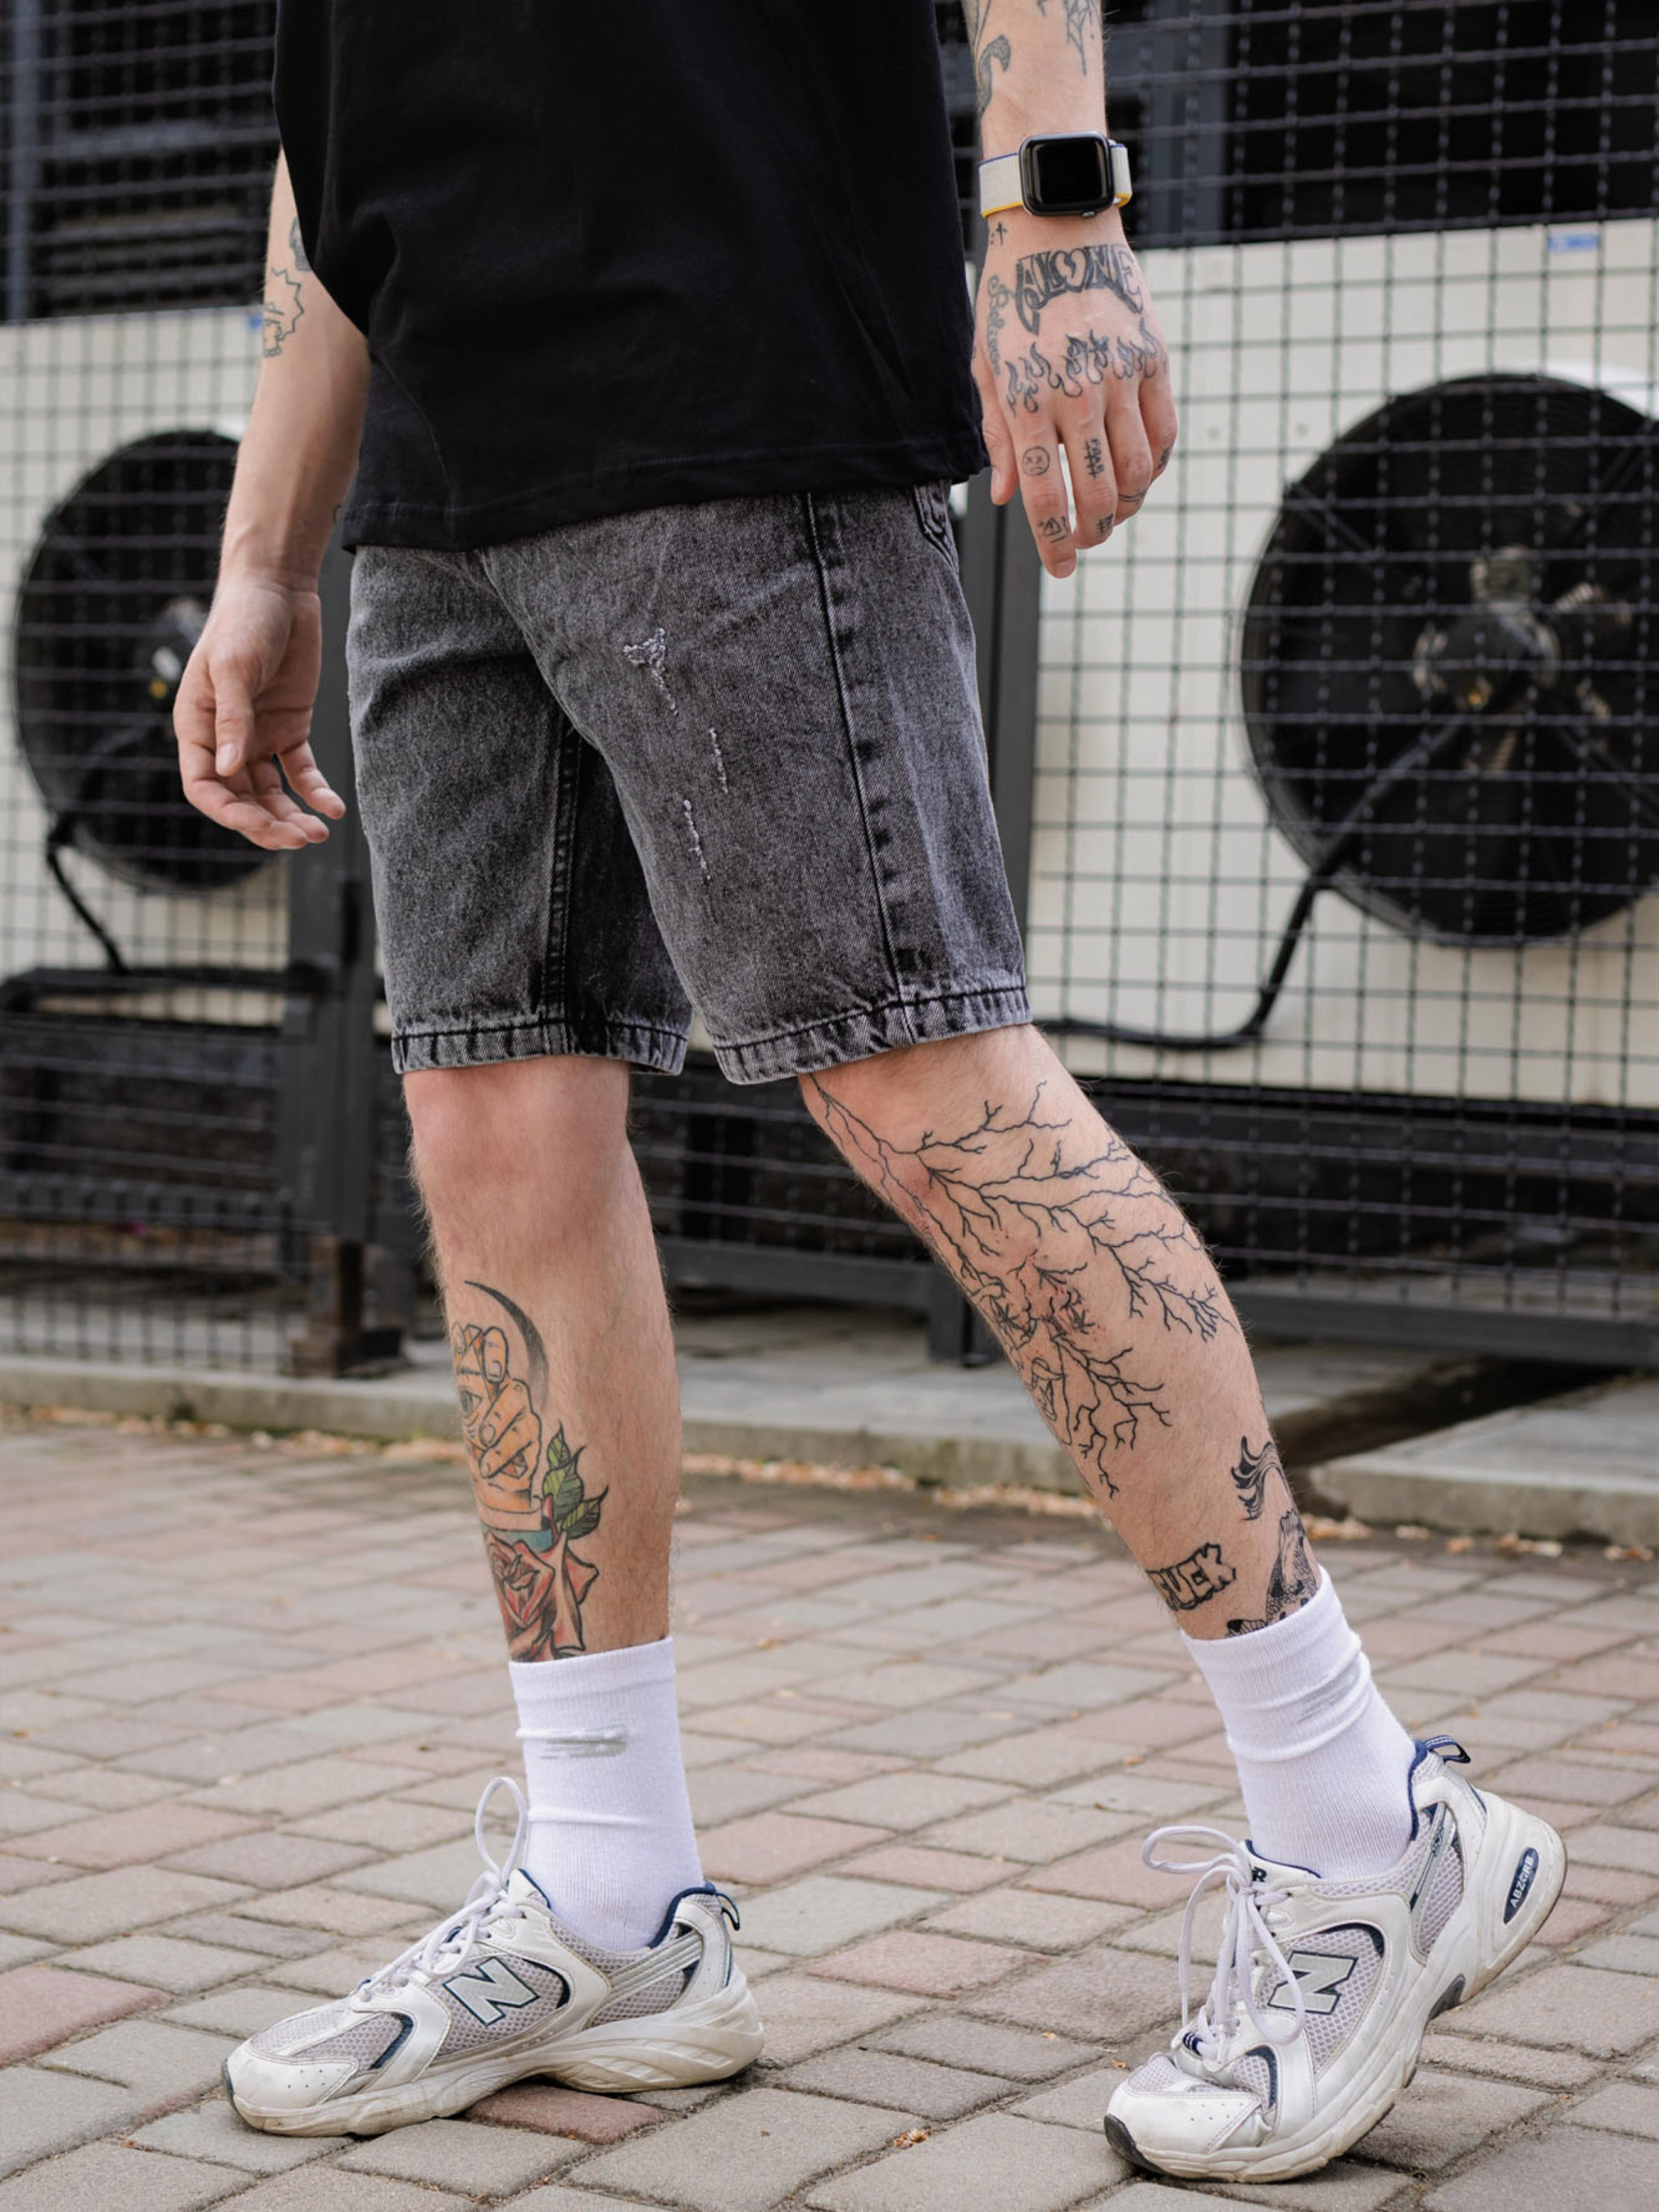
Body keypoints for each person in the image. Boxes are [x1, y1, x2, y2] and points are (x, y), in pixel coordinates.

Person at [174, 0, 1562, 2182]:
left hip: (733, 370)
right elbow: (326, 106)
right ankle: (612, 1898)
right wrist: (268, 545)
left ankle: (1367, 1815)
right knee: (492, 1125)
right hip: (437, 465)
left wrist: (1055, 202)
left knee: (920, 1076)